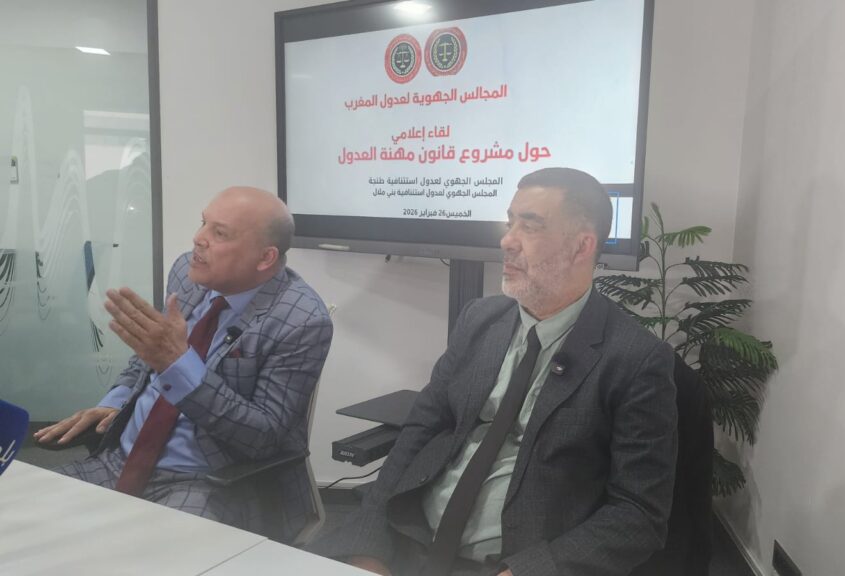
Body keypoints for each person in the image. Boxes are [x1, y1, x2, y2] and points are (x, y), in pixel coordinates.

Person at [337, 168, 678, 576]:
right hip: (408, 538)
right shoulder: (481, 320)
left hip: (516, 564)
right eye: (510, 221)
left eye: (529, 227)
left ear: (581, 246)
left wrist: (529, 572)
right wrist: (368, 547)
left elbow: (638, 514)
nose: (507, 240)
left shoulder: (635, 359)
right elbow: (419, 431)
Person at [34, 186, 333, 542]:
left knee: (158, 556)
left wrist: (179, 365)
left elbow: (262, 437)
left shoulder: (300, 320)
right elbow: (149, 357)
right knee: (18, 515)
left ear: (265, 257)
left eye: (219, 233)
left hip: (208, 480)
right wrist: (115, 402)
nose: (198, 238)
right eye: (203, 223)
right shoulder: (186, 273)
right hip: (119, 460)